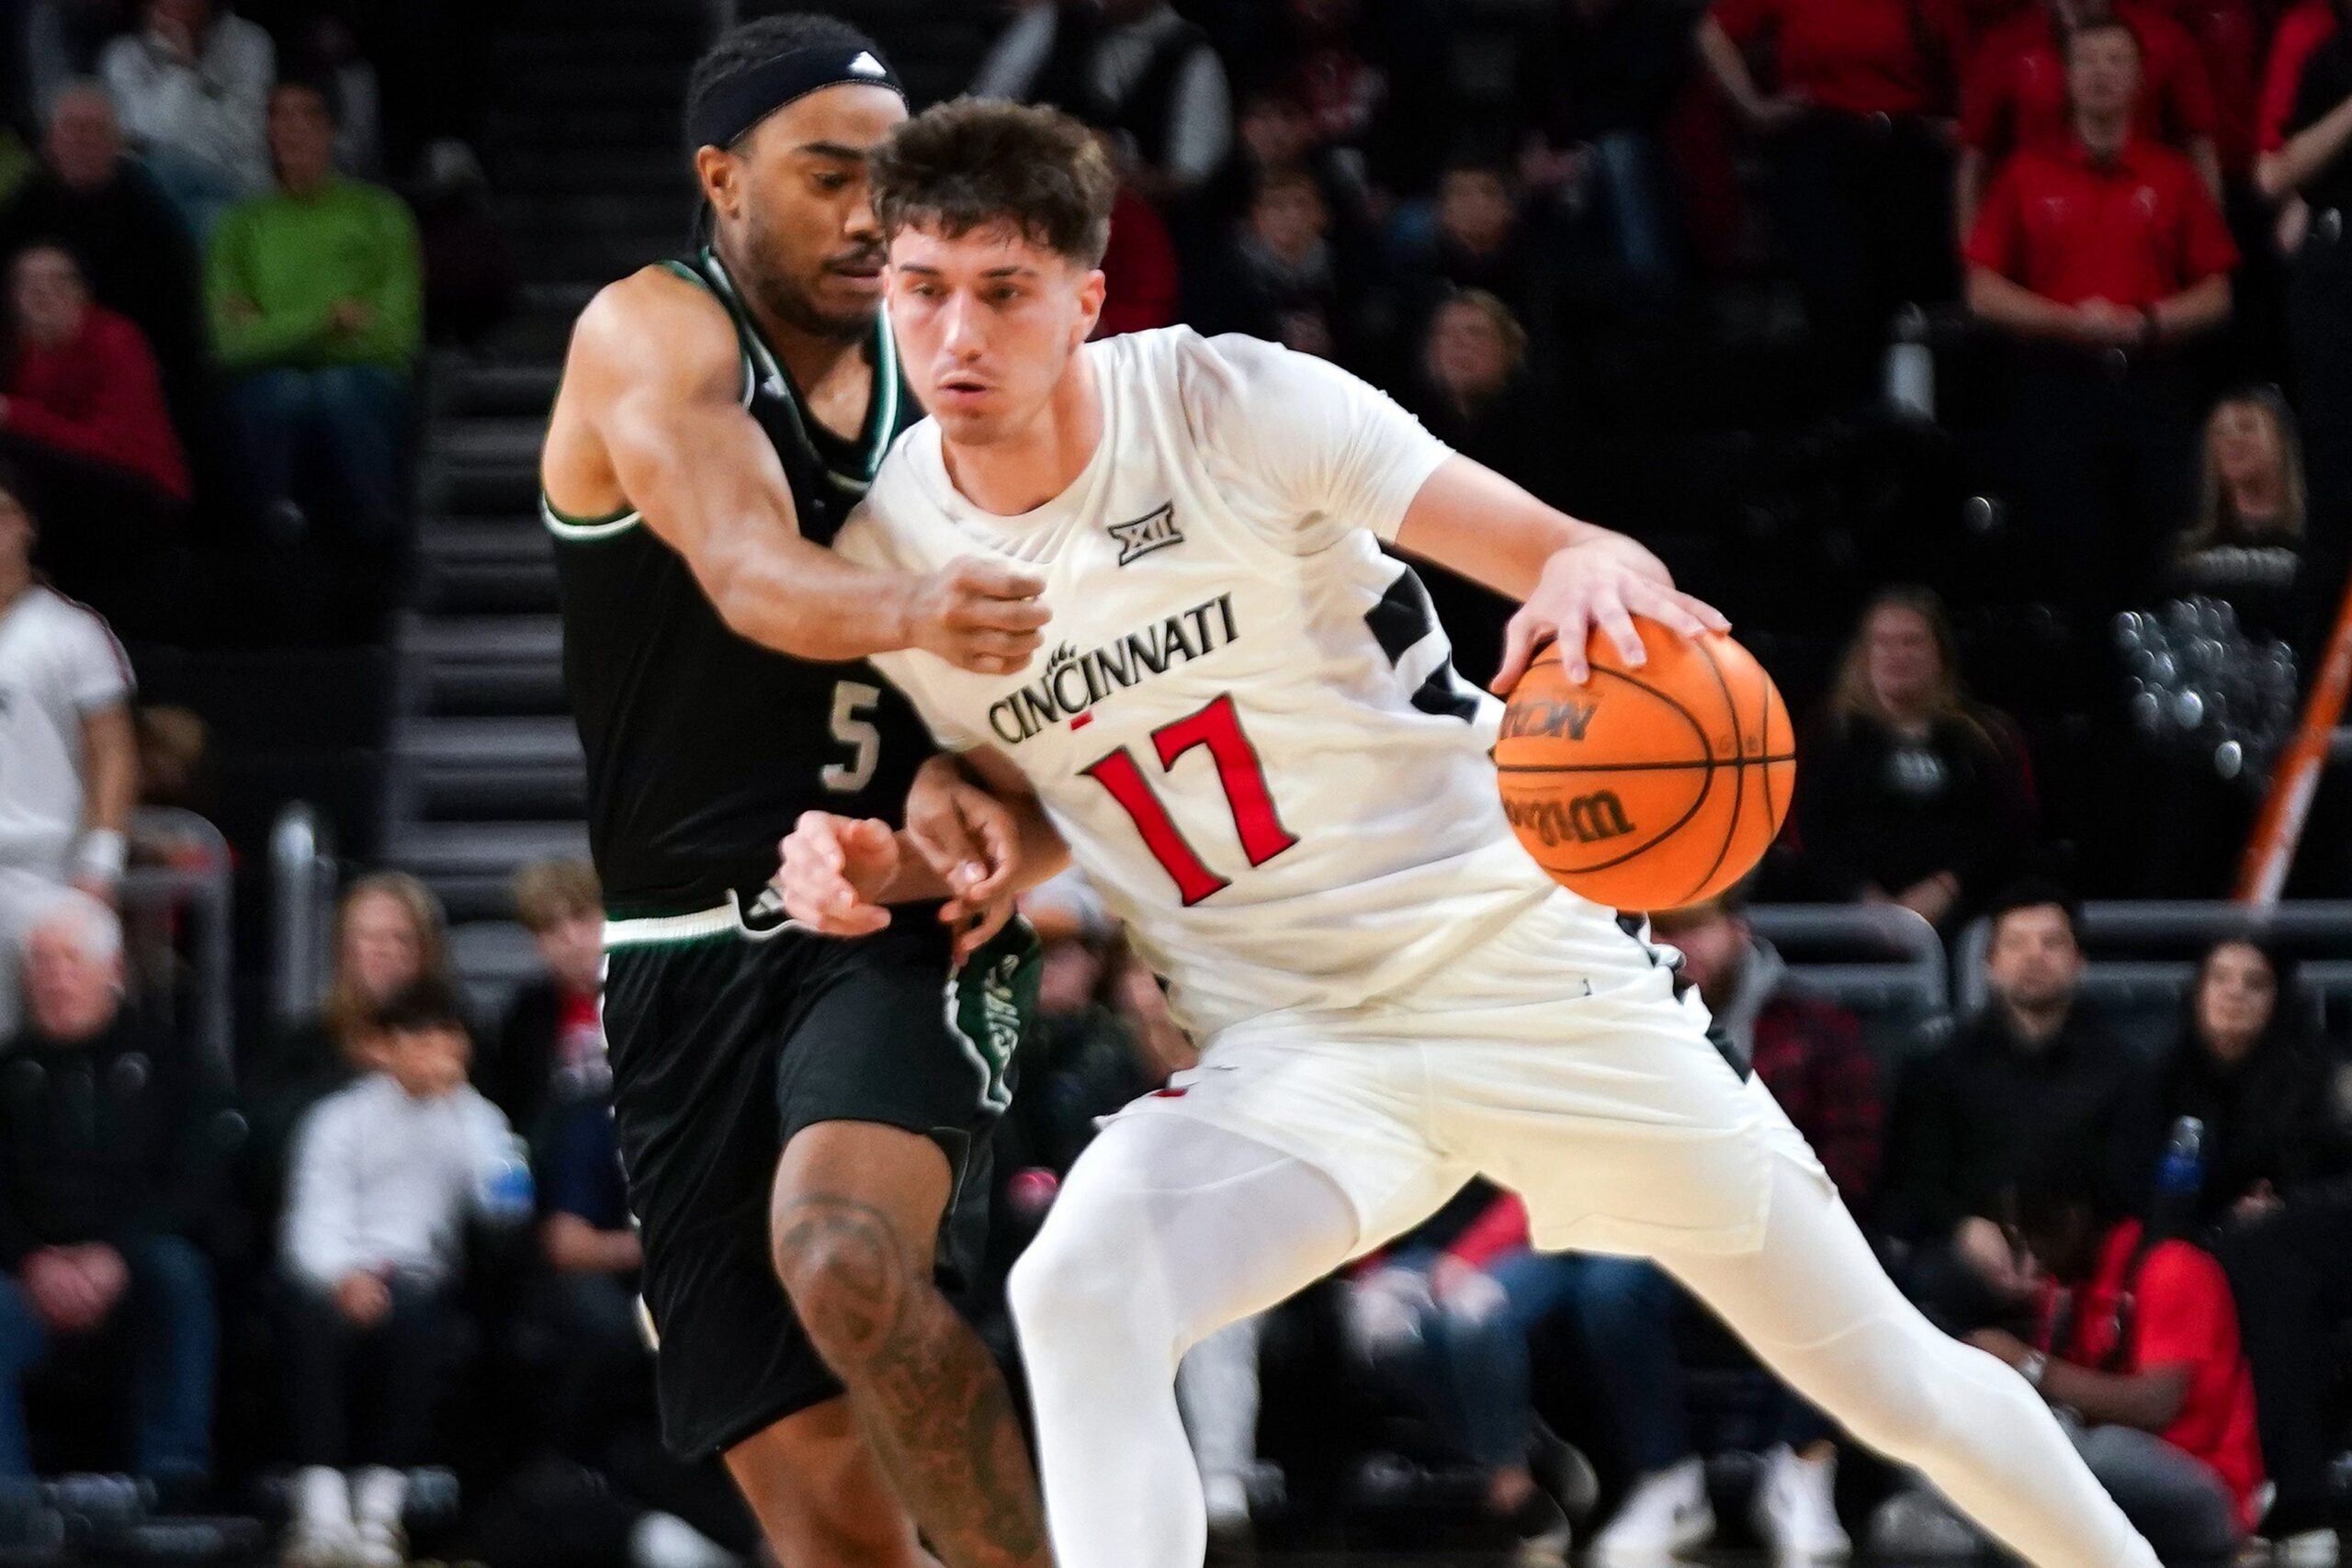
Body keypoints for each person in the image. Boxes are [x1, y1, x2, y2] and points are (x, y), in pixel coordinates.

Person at [794, 96, 2169, 1568]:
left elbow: (1579, 547)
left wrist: (1585, 579)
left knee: (1891, 1378)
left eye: (1002, 292)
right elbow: (1040, 809)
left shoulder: (1233, 403)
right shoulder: (893, 551)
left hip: (1525, 964)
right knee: (1080, 1279)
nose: (956, 338)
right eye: (923, 288)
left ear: (1086, 297)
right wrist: (910, 856)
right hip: (1295, 1044)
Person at [535, 16, 1060, 1567]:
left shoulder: (949, 371)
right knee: (827, 1531)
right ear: (721, 179)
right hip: (673, 962)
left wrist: (1010, 835)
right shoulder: (654, 332)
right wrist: (913, 607)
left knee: (840, 1245)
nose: (866, 218)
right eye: (828, 178)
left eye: (891, 183)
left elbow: (1053, 730)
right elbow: (751, 568)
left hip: (890, 922)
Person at [1964, 19, 2239, 608]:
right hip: (2056, 384)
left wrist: (2147, 321)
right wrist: (2069, 321)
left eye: (2117, 61)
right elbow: (1982, 290)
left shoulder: (2172, 175)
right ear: (2066, 77)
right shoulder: (2026, 172)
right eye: (2088, 60)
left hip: (2152, 384)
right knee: (2068, 549)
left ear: (2140, 79)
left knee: (2164, 544)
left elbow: (2217, 293)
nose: (2102, 73)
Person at [1873, 1150, 2265, 1562]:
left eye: (2032, 1234)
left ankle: (1958, 1520)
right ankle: (1938, 1520)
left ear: (2071, 1218)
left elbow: (2157, 1405)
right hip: (2107, 1485)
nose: (2032, 1257)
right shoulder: (2070, 1291)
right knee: (1978, 1449)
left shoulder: (2171, 1268)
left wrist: (2027, 1364)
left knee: (2082, 1450)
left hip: (2207, 1492)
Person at [277, 984, 519, 1568]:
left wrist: (463, 1113)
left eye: (447, 1036)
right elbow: (311, 1213)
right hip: (338, 1274)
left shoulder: (479, 1118)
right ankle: (322, 1509)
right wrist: (341, 1275)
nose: (434, 1050)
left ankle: (381, 1513)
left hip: (421, 1279)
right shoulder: (336, 1119)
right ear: (382, 1047)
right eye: (418, 1036)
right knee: (311, 1325)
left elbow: (507, 1201)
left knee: (418, 1323)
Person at [0, 893, 221, 1506]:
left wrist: (116, 1256)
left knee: (180, 1275)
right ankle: (8, 1504)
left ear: (113, 970)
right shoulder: (9, 1071)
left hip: (136, 1264)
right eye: (42, 962)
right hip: (28, 1275)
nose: (55, 976)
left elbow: (198, 1181)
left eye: (71, 960)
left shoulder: (172, 1063)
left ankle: (172, 1487)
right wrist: (31, 1259)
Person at [1883, 885, 2163, 1325]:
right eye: (2016, 943)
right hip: (1966, 1261)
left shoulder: (2124, 1070)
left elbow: (2129, 1188)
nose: (2034, 955)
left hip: (2086, 1259)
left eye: (2052, 943)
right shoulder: (1938, 1066)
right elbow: (1914, 1181)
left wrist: (2063, 1247)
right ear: (1990, 964)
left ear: (2079, 962)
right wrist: (1964, 1230)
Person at [2159, 938, 2352, 1559]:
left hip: (2315, 1249)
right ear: (2198, 991)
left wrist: (2283, 1208)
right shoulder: (2164, 1079)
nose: (2235, 994)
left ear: (2279, 998)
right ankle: (2293, 1500)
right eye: (2221, 978)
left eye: (2254, 982)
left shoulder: (2316, 1075)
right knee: (2255, 1268)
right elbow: (2152, 1188)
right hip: (2209, 1251)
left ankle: (2291, 1498)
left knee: (2274, 1264)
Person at [1699, 0, 1966, 403]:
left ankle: (1905, 423)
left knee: (1909, 285)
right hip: (1822, 134)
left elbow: (1966, 47)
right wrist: (1752, 108)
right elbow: (1712, 33)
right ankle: (1844, 427)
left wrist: (1965, 123)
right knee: (1839, 291)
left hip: (1907, 139)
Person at [207, 79, 420, 545]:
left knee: (337, 390)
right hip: (272, 384)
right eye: (281, 117)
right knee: (284, 392)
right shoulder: (238, 226)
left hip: (363, 380)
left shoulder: (381, 213)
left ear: (331, 130)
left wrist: (270, 330)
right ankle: (274, 521)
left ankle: (376, 529)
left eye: (308, 116)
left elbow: (394, 338)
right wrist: (328, 322)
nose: (293, 129)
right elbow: (228, 345)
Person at [1792, 588, 2037, 926]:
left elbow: (2009, 829)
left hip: (1966, 920)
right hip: (1851, 923)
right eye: (1884, 642)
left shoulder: (1986, 737)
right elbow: (1809, 833)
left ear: (1939, 651)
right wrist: (1864, 898)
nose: (1898, 655)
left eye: (1911, 642)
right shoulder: (1829, 734)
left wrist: (1945, 887)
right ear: (1864, 654)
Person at [0, 469, 136, 1039]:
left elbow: (112, 748)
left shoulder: (71, 632)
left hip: (47, 871)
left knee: (61, 1044)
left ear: (26, 525)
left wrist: (100, 861)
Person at [245, 873, 462, 1209]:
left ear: (426, 952)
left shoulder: (461, 1037)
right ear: (345, 952)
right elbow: (270, 1150)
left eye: (402, 939)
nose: (386, 951)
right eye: (370, 938)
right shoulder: (301, 1045)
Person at [0, 243, 189, 613]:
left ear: (82, 291)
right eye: (28, 283)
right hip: (71, 491)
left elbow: (113, 447)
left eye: (57, 281)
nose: (42, 292)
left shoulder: (116, 340)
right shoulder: (22, 352)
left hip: (142, 491)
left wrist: (13, 415)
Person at [0, 83, 206, 421]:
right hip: (31, 370)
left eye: (94, 129)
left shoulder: (152, 215)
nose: (82, 140)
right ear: (51, 141)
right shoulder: (23, 208)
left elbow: (175, 330)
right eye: (71, 128)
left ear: (117, 143)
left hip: (124, 376)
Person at [1954, 0, 2222, 234]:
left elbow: (2199, 149)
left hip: (2144, 229)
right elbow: (1977, 164)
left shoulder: (2165, 39)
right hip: (2037, 236)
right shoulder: (2006, 44)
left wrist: (2204, 251)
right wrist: (1976, 270)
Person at [1401, 291, 1557, 692]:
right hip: (1424, 607)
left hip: (1513, 602)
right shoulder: (1400, 429)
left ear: (1510, 351)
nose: (1461, 346)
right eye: (1448, 336)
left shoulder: (1544, 432)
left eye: (1476, 334)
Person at [2260, 0, 2352, 649]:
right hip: (2341, 272)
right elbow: (2276, 175)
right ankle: (2328, 684)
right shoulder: (2331, 55)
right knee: (2338, 477)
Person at [970, 0, 1233, 206]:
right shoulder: (1052, 22)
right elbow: (985, 109)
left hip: (1137, 234)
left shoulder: (1192, 56)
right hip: (1027, 207)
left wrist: (1123, 180)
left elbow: (1192, 173)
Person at [96, 0, 273, 234]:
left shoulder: (248, 43)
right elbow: (147, 131)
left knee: (208, 215)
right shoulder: (123, 55)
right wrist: (181, 66)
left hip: (236, 183)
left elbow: (247, 132)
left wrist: (180, 130)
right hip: (158, 188)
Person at [2169, 388, 2309, 642]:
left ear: (2281, 440)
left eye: (2247, 428)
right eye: (2220, 432)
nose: (2232, 440)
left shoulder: (2316, 547)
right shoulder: (2185, 552)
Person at [483, 857, 605, 1138]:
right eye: (551, 928)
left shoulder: (644, 995)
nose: (571, 938)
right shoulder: (525, 1016)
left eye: (581, 917)